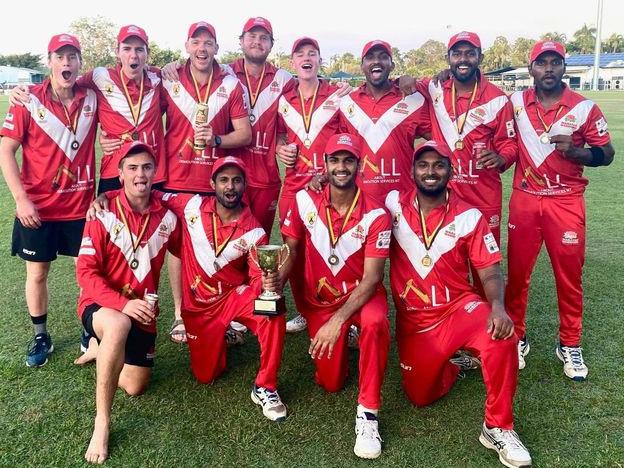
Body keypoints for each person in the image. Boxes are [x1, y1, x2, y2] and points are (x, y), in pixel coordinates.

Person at [95, 156, 288, 421]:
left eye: (236, 180)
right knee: (206, 376)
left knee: (272, 309)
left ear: (244, 185)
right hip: (197, 309)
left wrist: (267, 285)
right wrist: (106, 195)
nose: (230, 187)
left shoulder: (255, 231)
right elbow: (148, 191)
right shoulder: (191, 205)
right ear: (212, 183)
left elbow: (256, 281)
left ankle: (265, 386)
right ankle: (221, 336)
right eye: (223, 180)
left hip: (231, 297)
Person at [385, 140, 531, 468]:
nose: (431, 171)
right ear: (412, 171)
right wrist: (318, 181)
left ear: (451, 171)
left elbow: (490, 271)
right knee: (420, 397)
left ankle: (497, 427)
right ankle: (452, 364)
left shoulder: (469, 215)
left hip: (457, 310)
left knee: (502, 336)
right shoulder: (393, 204)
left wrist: (496, 306)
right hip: (414, 321)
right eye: (423, 165)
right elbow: (352, 200)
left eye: (439, 165)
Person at [505, 40, 614, 380]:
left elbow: (606, 154)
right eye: (542, 62)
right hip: (524, 198)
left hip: (566, 201)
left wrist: (577, 152)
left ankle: (569, 344)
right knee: (517, 276)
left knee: (569, 278)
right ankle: (516, 337)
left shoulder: (584, 108)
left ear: (564, 67)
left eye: (555, 62)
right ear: (531, 68)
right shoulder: (514, 103)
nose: (548, 68)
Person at [281, 133, 392, 459]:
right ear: (324, 164)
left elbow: (373, 280)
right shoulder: (304, 200)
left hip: (360, 298)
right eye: (335, 160)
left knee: (373, 320)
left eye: (348, 160)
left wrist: (338, 320)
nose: (341, 167)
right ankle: (344, 338)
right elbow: (290, 249)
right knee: (330, 382)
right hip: (320, 303)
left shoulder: (377, 214)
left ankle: (368, 411)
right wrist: (271, 287)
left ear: (359, 165)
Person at [77, 141, 180, 464]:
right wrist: (122, 304)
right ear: (119, 175)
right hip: (101, 306)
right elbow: (85, 273)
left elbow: (189, 253)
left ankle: (100, 348)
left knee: (136, 386)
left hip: (143, 311)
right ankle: (102, 422)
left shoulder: (167, 216)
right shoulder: (102, 212)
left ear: (155, 173)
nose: (140, 174)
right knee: (118, 324)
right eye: (132, 168)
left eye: (147, 167)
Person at [0, 33, 98, 367]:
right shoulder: (28, 101)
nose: (66, 63)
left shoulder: (91, 96)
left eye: (72, 57)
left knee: (85, 271)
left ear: (80, 63)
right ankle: (40, 335)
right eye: (60, 57)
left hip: (81, 207)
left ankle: (90, 330)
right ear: (50, 60)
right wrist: (21, 199)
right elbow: (5, 151)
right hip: (38, 209)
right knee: (38, 273)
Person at [159, 21, 252, 343]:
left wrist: (215, 139)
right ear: (187, 46)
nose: (202, 49)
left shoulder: (230, 83)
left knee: (220, 248)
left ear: (216, 48)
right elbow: (142, 115)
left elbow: (245, 134)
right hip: (176, 178)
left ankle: (223, 312)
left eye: (208, 43)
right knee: (178, 248)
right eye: (196, 42)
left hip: (215, 180)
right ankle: (179, 314)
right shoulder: (167, 78)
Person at [10, 25, 167, 194]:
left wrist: (172, 67)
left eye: (139, 49)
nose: (133, 55)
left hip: (153, 171)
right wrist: (23, 90)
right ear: (117, 51)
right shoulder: (99, 77)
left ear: (147, 53)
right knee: (109, 219)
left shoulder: (160, 78)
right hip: (113, 171)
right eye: (127, 48)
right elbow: (65, 86)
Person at [412, 31, 517, 247]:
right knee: (445, 257)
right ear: (448, 58)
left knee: (484, 261)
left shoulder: (497, 99)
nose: (463, 59)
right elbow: (402, 84)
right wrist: (404, 79)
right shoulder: (435, 88)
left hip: (483, 193)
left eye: (470, 53)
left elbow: (510, 144)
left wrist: (501, 158)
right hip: (443, 191)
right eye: (457, 54)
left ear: (480, 58)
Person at [275, 37, 342, 333]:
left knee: (334, 246)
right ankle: (304, 310)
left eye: (312, 53)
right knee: (293, 248)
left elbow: (349, 140)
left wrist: (329, 173)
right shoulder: (284, 100)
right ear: (293, 63)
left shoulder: (338, 96)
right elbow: (278, 136)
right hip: (294, 184)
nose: (306, 58)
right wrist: (280, 148)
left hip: (329, 184)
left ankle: (341, 311)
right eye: (300, 54)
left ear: (319, 61)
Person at [339, 40, 431, 202]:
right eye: (370, 58)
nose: (376, 61)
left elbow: (439, 138)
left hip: (403, 199)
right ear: (362, 66)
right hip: (361, 201)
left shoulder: (413, 99)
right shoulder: (347, 103)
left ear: (392, 65)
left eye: (383, 57)